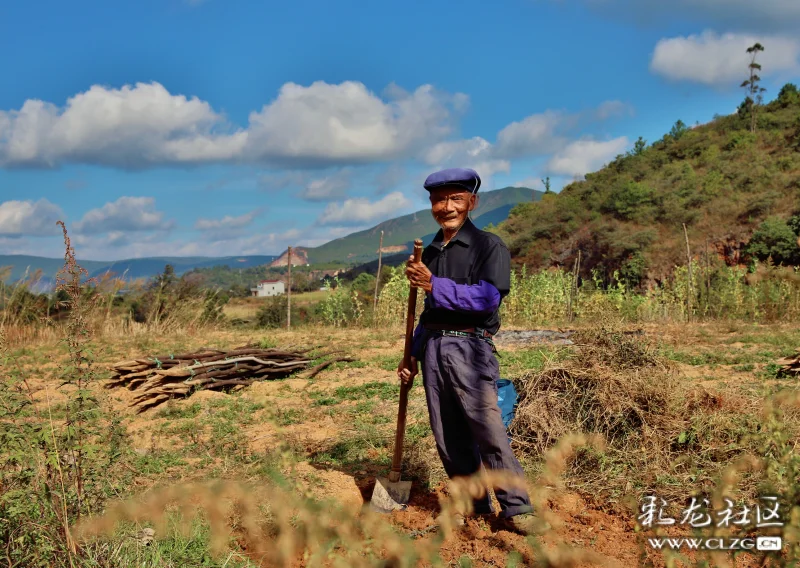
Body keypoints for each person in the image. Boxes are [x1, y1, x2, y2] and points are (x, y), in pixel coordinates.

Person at [396, 167, 535, 532]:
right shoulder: (430, 252)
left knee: (487, 430)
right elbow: (427, 316)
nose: (447, 207)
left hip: (471, 348)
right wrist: (411, 354)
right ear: (431, 205)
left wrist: (433, 284)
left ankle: (517, 508)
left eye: (455, 199)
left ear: (471, 202)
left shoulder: (488, 246)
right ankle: (476, 508)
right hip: (434, 351)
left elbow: (487, 299)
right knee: (449, 435)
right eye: (439, 200)